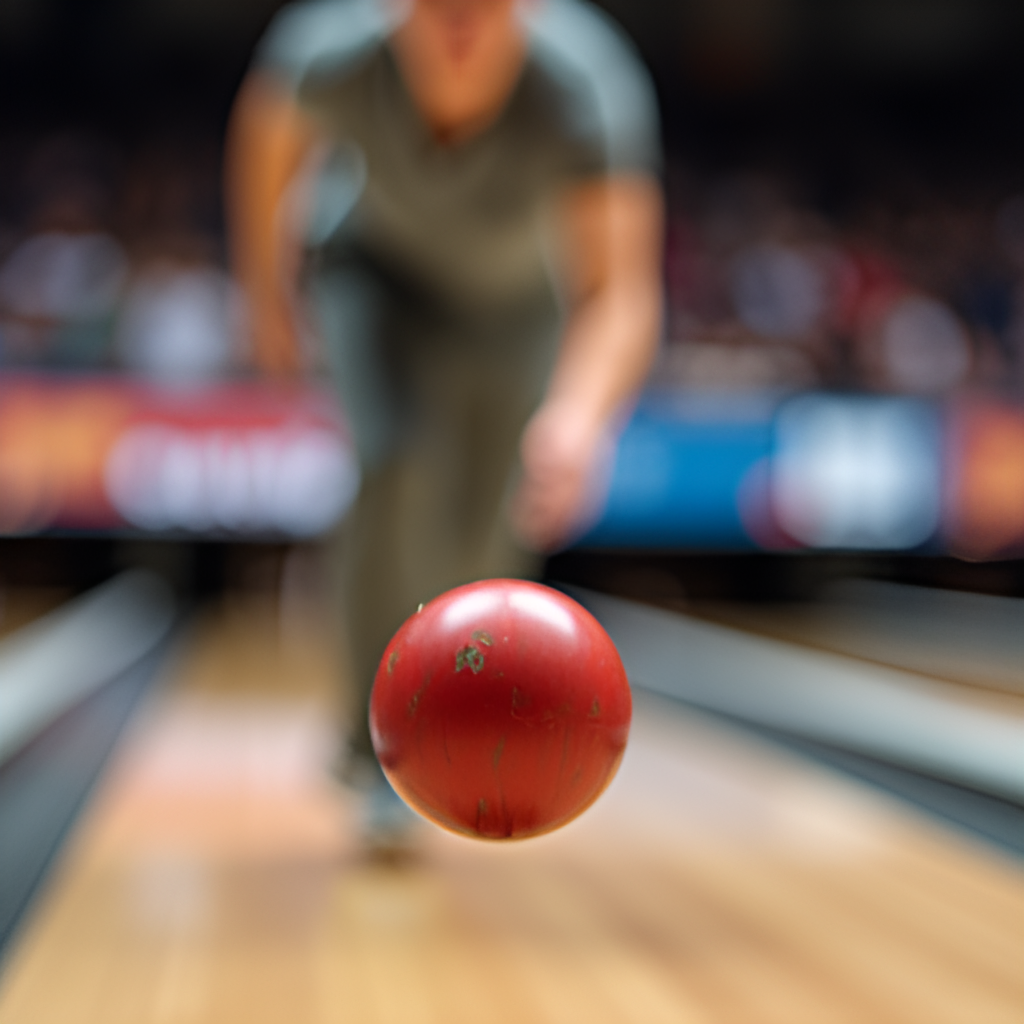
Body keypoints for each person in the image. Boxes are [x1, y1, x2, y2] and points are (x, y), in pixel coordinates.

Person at [226, 0, 663, 845]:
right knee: (393, 465)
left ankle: (470, 745)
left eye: (484, 11)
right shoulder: (331, 54)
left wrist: (577, 418)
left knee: (485, 534)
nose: (459, 26)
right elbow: (266, 145)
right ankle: (372, 751)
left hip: (516, 314)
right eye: (437, 10)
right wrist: (265, 294)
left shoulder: (586, 86)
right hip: (375, 281)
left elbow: (623, 291)